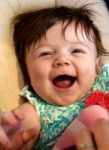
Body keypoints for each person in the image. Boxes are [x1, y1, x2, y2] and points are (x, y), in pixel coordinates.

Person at [0, 4, 109, 150]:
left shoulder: (104, 81)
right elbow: (24, 127)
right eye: (45, 53)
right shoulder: (36, 108)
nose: (62, 60)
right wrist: (12, 131)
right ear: (28, 73)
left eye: (76, 50)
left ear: (97, 66)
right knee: (95, 115)